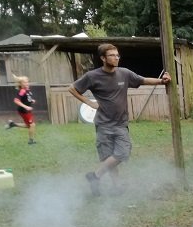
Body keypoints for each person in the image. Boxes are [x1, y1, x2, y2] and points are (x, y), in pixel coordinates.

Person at [69, 43, 171, 196]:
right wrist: (89, 102)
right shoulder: (92, 76)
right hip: (103, 124)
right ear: (103, 58)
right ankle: (116, 187)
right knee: (108, 156)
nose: (116, 58)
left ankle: (95, 176)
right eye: (112, 55)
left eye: (117, 55)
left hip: (120, 124)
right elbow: (72, 88)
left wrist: (162, 81)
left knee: (122, 152)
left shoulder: (124, 73)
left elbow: (142, 80)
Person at [7, 75, 37, 144]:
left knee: (28, 125)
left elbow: (26, 98)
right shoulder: (22, 91)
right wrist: (26, 107)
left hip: (27, 110)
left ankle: (13, 124)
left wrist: (31, 100)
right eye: (25, 82)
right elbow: (16, 100)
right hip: (24, 111)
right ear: (21, 84)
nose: (27, 83)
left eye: (27, 82)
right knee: (32, 125)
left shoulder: (27, 90)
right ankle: (31, 141)